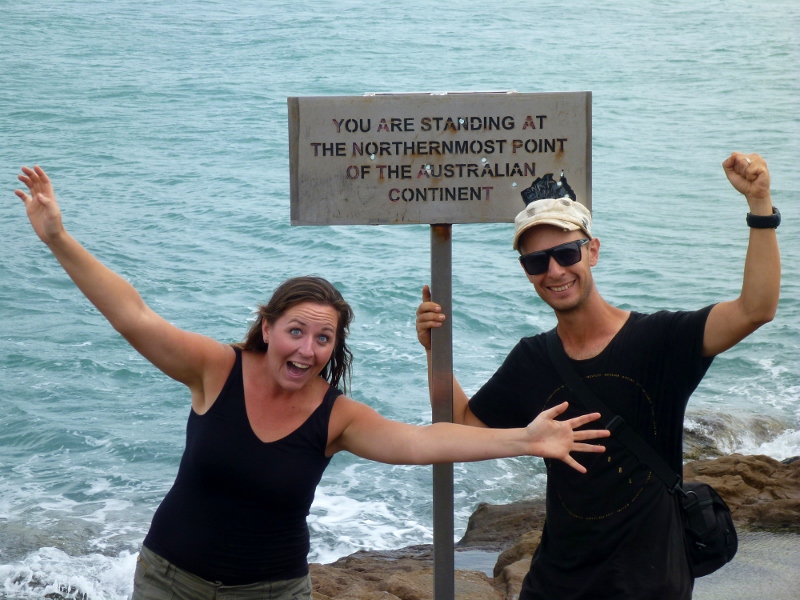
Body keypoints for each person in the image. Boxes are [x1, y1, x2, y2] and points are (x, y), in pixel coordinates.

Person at [13, 166, 610, 600]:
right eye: (296, 331)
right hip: (171, 582)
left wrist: (525, 439)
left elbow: (421, 442)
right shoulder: (214, 368)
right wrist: (59, 239)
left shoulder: (336, 416)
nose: (307, 349)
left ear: (333, 350)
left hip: (274, 592)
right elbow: (134, 314)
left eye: (323, 339)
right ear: (267, 327)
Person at [415, 152, 780, 599]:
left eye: (566, 253)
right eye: (536, 262)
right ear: (526, 272)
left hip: (650, 583)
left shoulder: (659, 340)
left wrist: (760, 206)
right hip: (556, 581)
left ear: (592, 251)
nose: (554, 271)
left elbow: (755, 309)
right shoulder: (533, 358)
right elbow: (464, 427)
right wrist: (437, 353)